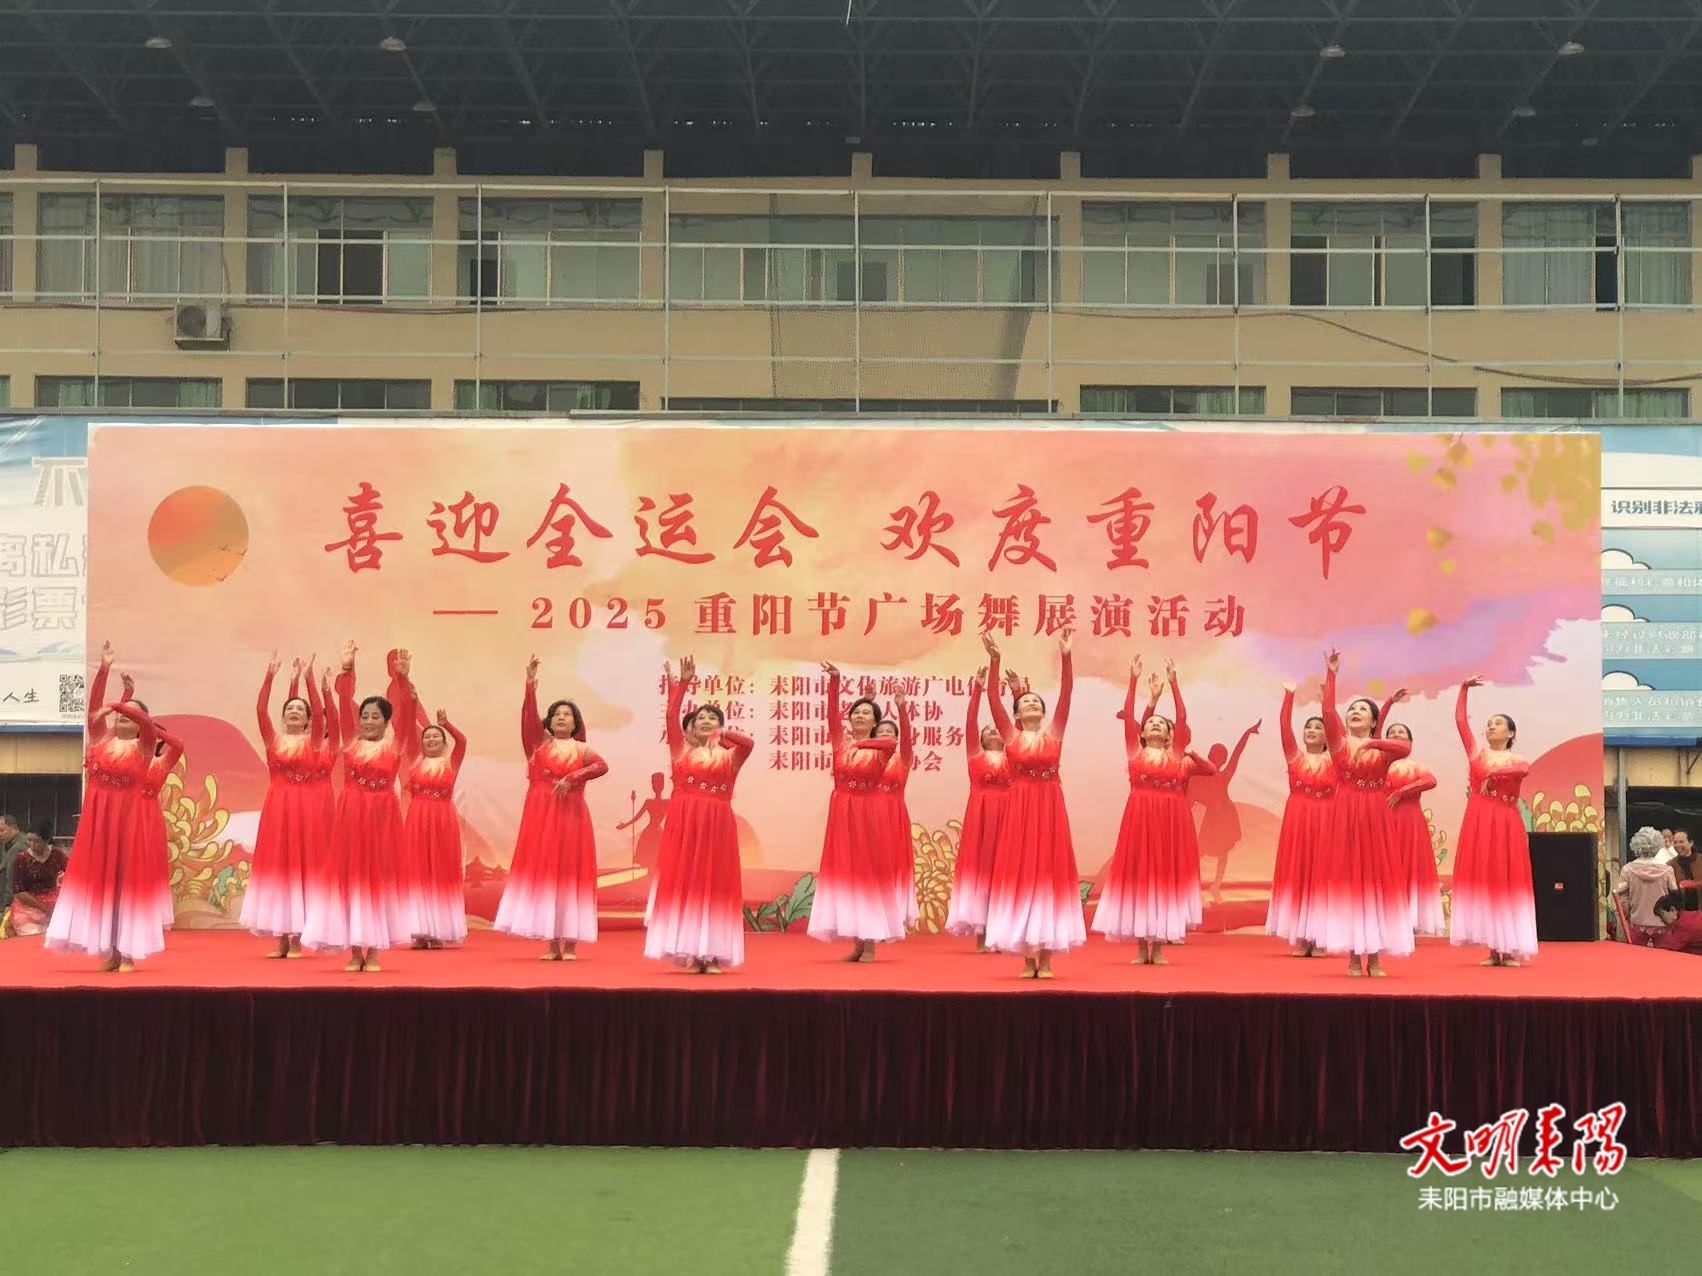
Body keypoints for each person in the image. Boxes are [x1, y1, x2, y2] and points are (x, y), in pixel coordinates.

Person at [44, 642, 170, 971]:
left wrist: (121, 702)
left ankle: (128, 953)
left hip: (128, 824)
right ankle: (111, 952)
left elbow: (147, 724)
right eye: (120, 715)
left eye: (131, 715)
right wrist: (104, 669)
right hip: (98, 825)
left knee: (126, 886)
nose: (124, 717)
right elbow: (93, 710)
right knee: (103, 887)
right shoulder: (100, 741)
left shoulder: (144, 747)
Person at [1094, 657, 1218, 965]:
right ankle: (1141, 948)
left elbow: (1186, 722)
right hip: (1140, 821)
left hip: (1171, 824)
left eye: (1161, 724)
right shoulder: (1134, 752)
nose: (1155, 725)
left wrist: (1174, 683)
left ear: (1170, 735)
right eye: (1150, 723)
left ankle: (1159, 947)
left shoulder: (1178, 757)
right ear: (1142, 732)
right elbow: (1130, 718)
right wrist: (1140, 687)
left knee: (1165, 877)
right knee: (1141, 877)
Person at [300, 642, 413, 972]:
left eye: (375, 716)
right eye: (365, 716)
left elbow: (407, 718)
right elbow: (343, 704)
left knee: (377, 880)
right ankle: (354, 952)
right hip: (351, 817)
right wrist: (347, 670)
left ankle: (374, 951)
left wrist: (403, 681)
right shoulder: (350, 742)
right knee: (350, 880)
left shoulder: (395, 746)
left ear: (386, 722)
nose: (368, 720)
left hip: (382, 819)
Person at [979, 631, 1086, 979]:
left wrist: (1066, 657)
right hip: (1020, 808)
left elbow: (1067, 694)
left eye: (1036, 703)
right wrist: (995, 661)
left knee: (1048, 873)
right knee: (1022, 873)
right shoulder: (1010, 736)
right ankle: (1028, 959)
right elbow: (993, 699)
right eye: (1025, 703)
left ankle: (1047, 958)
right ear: (1016, 713)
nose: (1032, 706)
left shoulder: (1054, 733)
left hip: (1050, 808)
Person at [644, 655, 754, 973]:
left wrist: (720, 735)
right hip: (685, 824)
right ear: (690, 728)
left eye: (712, 718)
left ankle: (713, 954)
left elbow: (748, 743)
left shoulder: (730, 757)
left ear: (720, 726)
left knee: (715, 883)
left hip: (717, 825)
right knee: (687, 883)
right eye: (700, 718)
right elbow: (671, 715)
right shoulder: (681, 751)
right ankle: (692, 953)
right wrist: (684, 683)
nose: (705, 721)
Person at [1306, 651, 1413, 977]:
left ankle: (1375, 958)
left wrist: (1372, 744)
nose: (1354, 713)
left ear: (1373, 722)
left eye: (1362, 710)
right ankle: (1353, 958)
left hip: (1375, 817)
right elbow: (1328, 711)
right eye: (1351, 709)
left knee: (1375, 882)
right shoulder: (1339, 744)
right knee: (1351, 881)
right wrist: (1331, 673)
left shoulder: (1382, 750)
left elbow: (1404, 748)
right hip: (1346, 816)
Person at [494, 655, 608, 960]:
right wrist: (530, 685)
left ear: (576, 723)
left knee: (570, 873)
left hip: (571, 817)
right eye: (556, 714)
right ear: (548, 721)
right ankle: (551, 944)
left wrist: (573, 777)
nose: (561, 718)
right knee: (547, 875)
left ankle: (570, 944)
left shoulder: (582, 749)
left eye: (567, 715)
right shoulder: (537, 746)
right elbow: (528, 719)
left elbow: (602, 766)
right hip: (541, 817)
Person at [807, 662, 902, 961]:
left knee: (867, 873)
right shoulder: (840, 744)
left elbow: (890, 741)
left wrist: (862, 740)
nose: (860, 716)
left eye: (866, 713)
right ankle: (858, 942)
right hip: (842, 813)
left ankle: (871, 942)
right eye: (856, 713)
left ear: (875, 721)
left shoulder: (882, 748)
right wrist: (835, 681)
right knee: (847, 873)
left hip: (868, 812)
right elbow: (831, 715)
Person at [240, 654, 326, 957]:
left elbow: (319, 710)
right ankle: (281, 938)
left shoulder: (314, 742)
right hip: (277, 809)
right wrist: (270, 675)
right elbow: (260, 709)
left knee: (300, 867)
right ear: (283, 716)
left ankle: (298, 937)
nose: (294, 711)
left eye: (300, 709)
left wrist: (308, 679)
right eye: (290, 708)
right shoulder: (273, 741)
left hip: (305, 810)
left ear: (308, 720)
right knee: (279, 867)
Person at [1448, 676, 1536, 967]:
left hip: (1506, 821)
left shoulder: (1516, 758)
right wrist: (1463, 689)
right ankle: (1493, 949)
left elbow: (1522, 770)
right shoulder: (1478, 754)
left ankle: (1508, 949)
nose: (1490, 727)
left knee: (1506, 879)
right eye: (1488, 724)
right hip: (1479, 821)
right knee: (1486, 878)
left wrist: (1493, 775)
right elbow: (1461, 721)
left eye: (1497, 723)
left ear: (1511, 733)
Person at [1266, 681, 1337, 956]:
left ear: (1327, 736)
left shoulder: (1336, 761)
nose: (1312, 730)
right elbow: (1284, 726)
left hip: (1327, 819)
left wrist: (1327, 701)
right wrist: (1289, 696)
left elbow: (1337, 728)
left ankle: (1319, 938)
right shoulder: (1294, 757)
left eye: (1318, 727)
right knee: (1300, 871)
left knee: (1321, 875)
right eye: (1309, 727)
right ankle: (1302, 938)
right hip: (1298, 819)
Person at [943, 666, 1011, 950]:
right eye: (988, 730)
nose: (993, 730)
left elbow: (1017, 726)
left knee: (1005, 871)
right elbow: (970, 722)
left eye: (997, 728)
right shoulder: (975, 756)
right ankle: (982, 936)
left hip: (1009, 815)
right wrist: (977, 690)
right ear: (980, 740)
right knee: (983, 870)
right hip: (981, 817)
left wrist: (1017, 692)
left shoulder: (1015, 757)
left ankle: (1002, 934)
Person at [400, 696, 469, 951]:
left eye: (436, 737)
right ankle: (419, 931)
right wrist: (410, 703)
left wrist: (446, 724)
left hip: (442, 822)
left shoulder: (451, 763)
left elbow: (462, 741)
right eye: (427, 737)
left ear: (443, 742)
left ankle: (438, 930)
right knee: (417, 872)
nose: (431, 740)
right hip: (417, 820)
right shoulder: (414, 762)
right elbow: (407, 732)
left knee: (439, 872)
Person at [1383, 719, 1445, 937]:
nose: (1396, 734)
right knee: (1386, 866)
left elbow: (1430, 780)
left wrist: (1401, 792)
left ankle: (1408, 920)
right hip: (1384, 819)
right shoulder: (1379, 765)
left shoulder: (1415, 766)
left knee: (1408, 866)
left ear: (1410, 741)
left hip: (1410, 821)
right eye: (1392, 732)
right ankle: (1385, 918)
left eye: (1401, 732)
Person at [1190, 717, 1261, 904]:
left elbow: (1238, 752)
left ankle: (1216, 885)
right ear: (1211, 756)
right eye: (1218, 754)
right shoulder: (1199, 777)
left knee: (1223, 852)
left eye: (1222, 755)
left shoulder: (1223, 775)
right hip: (1214, 818)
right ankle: (1194, 884)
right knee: (1201, 851)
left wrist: (1247, 733)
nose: (1220, 758)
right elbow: (1191, 798)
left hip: (1225, 817)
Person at [872, 689, 919, 937]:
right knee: (873, 865)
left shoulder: (903, 759)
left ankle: (894, 919)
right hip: (870, 815)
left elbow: (908, 737)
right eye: (880, 731)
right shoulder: (866, 758)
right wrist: (869, 702)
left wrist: (901, 707)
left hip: (894, 816)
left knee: (893, 865)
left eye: (890, 732)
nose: (885, 735)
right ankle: (874, 917)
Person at [1616, 826, 1679, 944]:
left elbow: (1622, 899)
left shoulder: (1627, 869)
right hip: (1662, 923)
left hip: (1637, 922)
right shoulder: (1667, 870)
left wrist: (1627, 916)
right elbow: (1674, 895)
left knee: (1636, 955)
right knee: (1664, 955)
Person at [7, 823, 65, 937]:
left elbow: (72, 872)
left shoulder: (57, 854)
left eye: (37, 841)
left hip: (54, 902)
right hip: (28, 906)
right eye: (29, 840)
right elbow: (19, 892)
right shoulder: (22, 858)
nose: (32, 845)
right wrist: (46, 909)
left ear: (46, 840)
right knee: (34, 935)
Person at [616, 773, 670, 872]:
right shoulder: (657, 802)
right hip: (652, 833)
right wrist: (625, 825)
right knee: (652, 861)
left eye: (656, 783)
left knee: (655, 860)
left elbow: (637, 817)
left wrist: (625, 825)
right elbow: (637, 817)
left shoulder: (662, 802)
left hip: (653, 833)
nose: (656, 786)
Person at [0, 813, 25, 919]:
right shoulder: (6, 844)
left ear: (13, 828)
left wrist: (8, 904)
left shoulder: (18, 847)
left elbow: (11, 878)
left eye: (2, 830)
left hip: (12, 903)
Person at [1670, 829, 1699, 910]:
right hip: (1681, 912)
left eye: (1681, 842)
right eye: (1675, 842)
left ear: (1691, 843)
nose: (1677, 845)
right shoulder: (1670, 865)